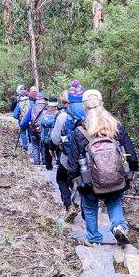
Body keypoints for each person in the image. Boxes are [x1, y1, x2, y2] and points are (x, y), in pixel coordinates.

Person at [67, 89, 138, 245]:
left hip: (89, 181)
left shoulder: (80, 131)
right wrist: (131, 173)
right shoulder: (115, 126)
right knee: (114, 203)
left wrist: (72, 180)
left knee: (90, 208)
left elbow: (72, 162)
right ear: (102, 104)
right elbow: (131, 153)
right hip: (116, 178)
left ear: (84, 107)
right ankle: (118, 226)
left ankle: (94, 239)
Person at [51, 80, 86, 223]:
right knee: (84, 180)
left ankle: (69, 205)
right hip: (89, 156)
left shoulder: (63, 115)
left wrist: (54, 147)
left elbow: (54, 139)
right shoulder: (90, 112)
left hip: (68, 157)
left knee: (61, 178)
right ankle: (80, 201)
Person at [21, 92, 47, 164]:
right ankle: (45, 161)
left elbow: (26, 120)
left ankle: (36, 161)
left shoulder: (32, 108)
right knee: (44, 145)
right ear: (44, 100)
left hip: (34, 129)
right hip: (43, 130)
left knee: (35, 146)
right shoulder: (47, 108)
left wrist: (22, 125)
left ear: (36, 100)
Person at [40, 96, 59, 170]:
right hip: (56, 135)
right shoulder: (58, 113)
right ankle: (59, 164)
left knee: (47, 151)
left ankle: (48, 165)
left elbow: (41, 124)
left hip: (46, 135)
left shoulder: (45, 112)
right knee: (58, 150)